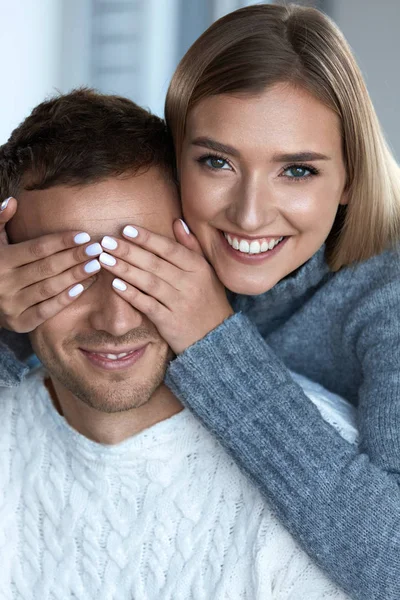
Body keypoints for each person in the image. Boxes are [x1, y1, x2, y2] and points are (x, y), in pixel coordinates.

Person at [0, 4, 399, 599]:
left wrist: (214, 341)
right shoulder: (169, 237)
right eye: (216, 161)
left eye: (297, 170)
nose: (249, 214)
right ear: (175, 159)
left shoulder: (386, 300)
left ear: (348, 178)